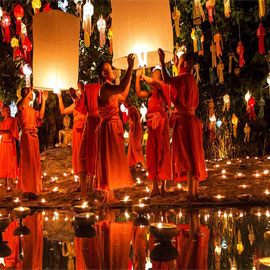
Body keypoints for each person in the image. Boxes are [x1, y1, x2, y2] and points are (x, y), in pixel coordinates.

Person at [158, 48, 207, 200]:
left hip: (184, 123)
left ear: (184, 63)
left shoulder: (182, 79)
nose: (177, 64)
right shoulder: (191, 79)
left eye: (179, 62)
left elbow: (167, 79)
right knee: (194, 154)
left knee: (187, 155)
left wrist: (161, 61)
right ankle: (194, 190)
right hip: (192, 120)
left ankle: (191, 193)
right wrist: (174, 65)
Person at [95, 54, 134, 205]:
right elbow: (121, 88)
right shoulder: (105, 88)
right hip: (108, 127)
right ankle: (108, 195)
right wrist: (129, 68)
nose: (113, 71)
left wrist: (131, 74)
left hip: (111, 126)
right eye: (110, 69)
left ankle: (109, 195)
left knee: (111, 159)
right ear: (104, 74)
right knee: (109, 159)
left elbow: (123, 94)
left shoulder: (110, 89)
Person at [135, 67, 171, 197]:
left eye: (156, 76)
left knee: (163, 154)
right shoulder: (151, 94)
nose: (153, 79)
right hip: (152, 128)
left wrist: (144, 77)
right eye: (152, 76)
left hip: (162, 127)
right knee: (151, 156)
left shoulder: (163, 88)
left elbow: (155, 83)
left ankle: (163, 187)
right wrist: (137, 76)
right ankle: (155, 186)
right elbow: (138, 92)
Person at [17, 87, 48, 198]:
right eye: (31, 92)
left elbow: (40, 117)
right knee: (27, 162)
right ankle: (26, 190)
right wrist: (27, 93)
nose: (33, 94)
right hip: (26, 136)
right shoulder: (22, 107)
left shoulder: (31, 109)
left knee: (34, 162)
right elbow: (20, 104)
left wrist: (43, 100)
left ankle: (33, 189)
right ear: (26, 93)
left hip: (34, 137)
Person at [77, 83, 100, 199]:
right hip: (101, 121)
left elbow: (81, 108)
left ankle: (84, 192)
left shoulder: (89, 88)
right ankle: (100, 189)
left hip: (93, 121)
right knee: (99, 156)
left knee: (83, 156)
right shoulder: (104, 87)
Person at [58, 83, 86, 176]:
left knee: (86, 153)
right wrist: (59, 97)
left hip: (85, 130)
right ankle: (80, 180)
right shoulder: (75, 105)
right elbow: (63, 111)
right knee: (77, 153)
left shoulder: (86, 102)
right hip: (76, 131)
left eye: (78, 90)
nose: (77, 92)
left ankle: (89, 181)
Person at [0, 105, 19, 188]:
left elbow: (10, 131)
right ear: (2, 112)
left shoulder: (12, 120)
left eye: (9, 110)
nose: (8, 111)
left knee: (10, 162)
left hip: (10, 144)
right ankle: (5, 182)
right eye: (6, 110)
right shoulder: (2, 122)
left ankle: (10, 182)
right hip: (3, 143)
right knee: (3, 162)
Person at [124, 98, 145, 171]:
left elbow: (135, 121)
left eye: (125, 103)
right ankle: (133, 166)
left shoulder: (132, 109)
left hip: (135, 131)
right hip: (133, 130)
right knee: (132, 148)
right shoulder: (131, 109)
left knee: (135, 147)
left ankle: (143, 164)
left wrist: (135, 130)